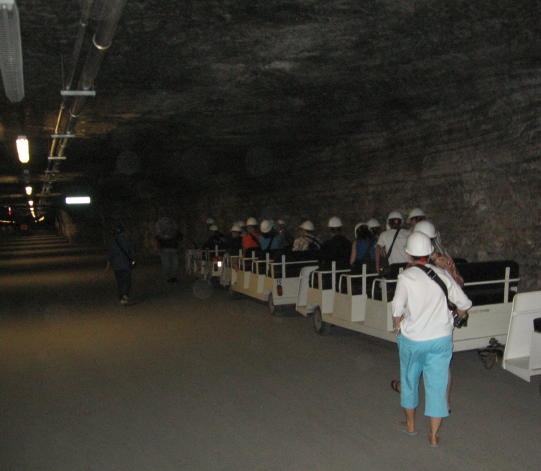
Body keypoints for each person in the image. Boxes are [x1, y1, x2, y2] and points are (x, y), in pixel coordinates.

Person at [391, 232, 471, 447]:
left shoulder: (406, 277)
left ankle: (410, 427)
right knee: (437, 386)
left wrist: (397, 327)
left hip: (413, 339)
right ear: (429, 253)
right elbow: (464, 304)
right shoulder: (443, 275)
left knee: (409, 381)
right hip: (441, 340)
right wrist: (456, 318)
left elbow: (397, 309)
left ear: (408, 254)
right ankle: (434, 437)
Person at [106, 224, 136, 305]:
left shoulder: (112, 242)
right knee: (127, 281)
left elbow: (110, 255)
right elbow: (132, 252)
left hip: (116, 266)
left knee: (119, 281)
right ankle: (125, 295)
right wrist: (133, 261)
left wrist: (108, 266)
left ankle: (121, 296)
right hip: (126, 264)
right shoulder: (127, 240)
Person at [155, 216, 183, 283]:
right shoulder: (161, 230)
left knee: (173, 264)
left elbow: (180, 236)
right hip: (166, 248)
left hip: (172, 248)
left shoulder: (174, 229)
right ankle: (169, 277)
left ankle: (172, 277)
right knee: (168, 264)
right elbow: (158, 238)